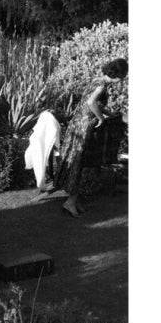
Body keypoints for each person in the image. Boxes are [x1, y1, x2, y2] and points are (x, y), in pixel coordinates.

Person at [55, 58, 129, 217]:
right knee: (81, 163)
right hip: (85, 127)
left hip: (78, 124)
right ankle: (70, 203)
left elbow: (97, 104)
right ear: (119, 75)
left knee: (78, 163)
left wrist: (109, 113)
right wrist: (101, 118)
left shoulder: (97, 79)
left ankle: (74, 200)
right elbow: (90, 102)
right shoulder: (102, 86)